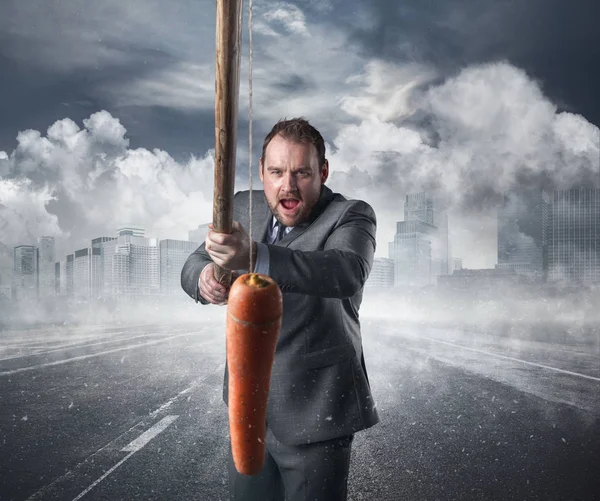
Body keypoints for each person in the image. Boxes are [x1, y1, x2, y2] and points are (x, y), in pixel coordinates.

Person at [181, 117, 379, 501]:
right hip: (247, 410)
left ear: (322, 172)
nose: (287, 186)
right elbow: (192, 261)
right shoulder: (242, 205)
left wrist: (255, 256)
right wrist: (204, 277)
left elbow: (345, 272)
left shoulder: (351, 215)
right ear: (261, 171)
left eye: (301, 173)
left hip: (316, 410)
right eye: (276, 172)